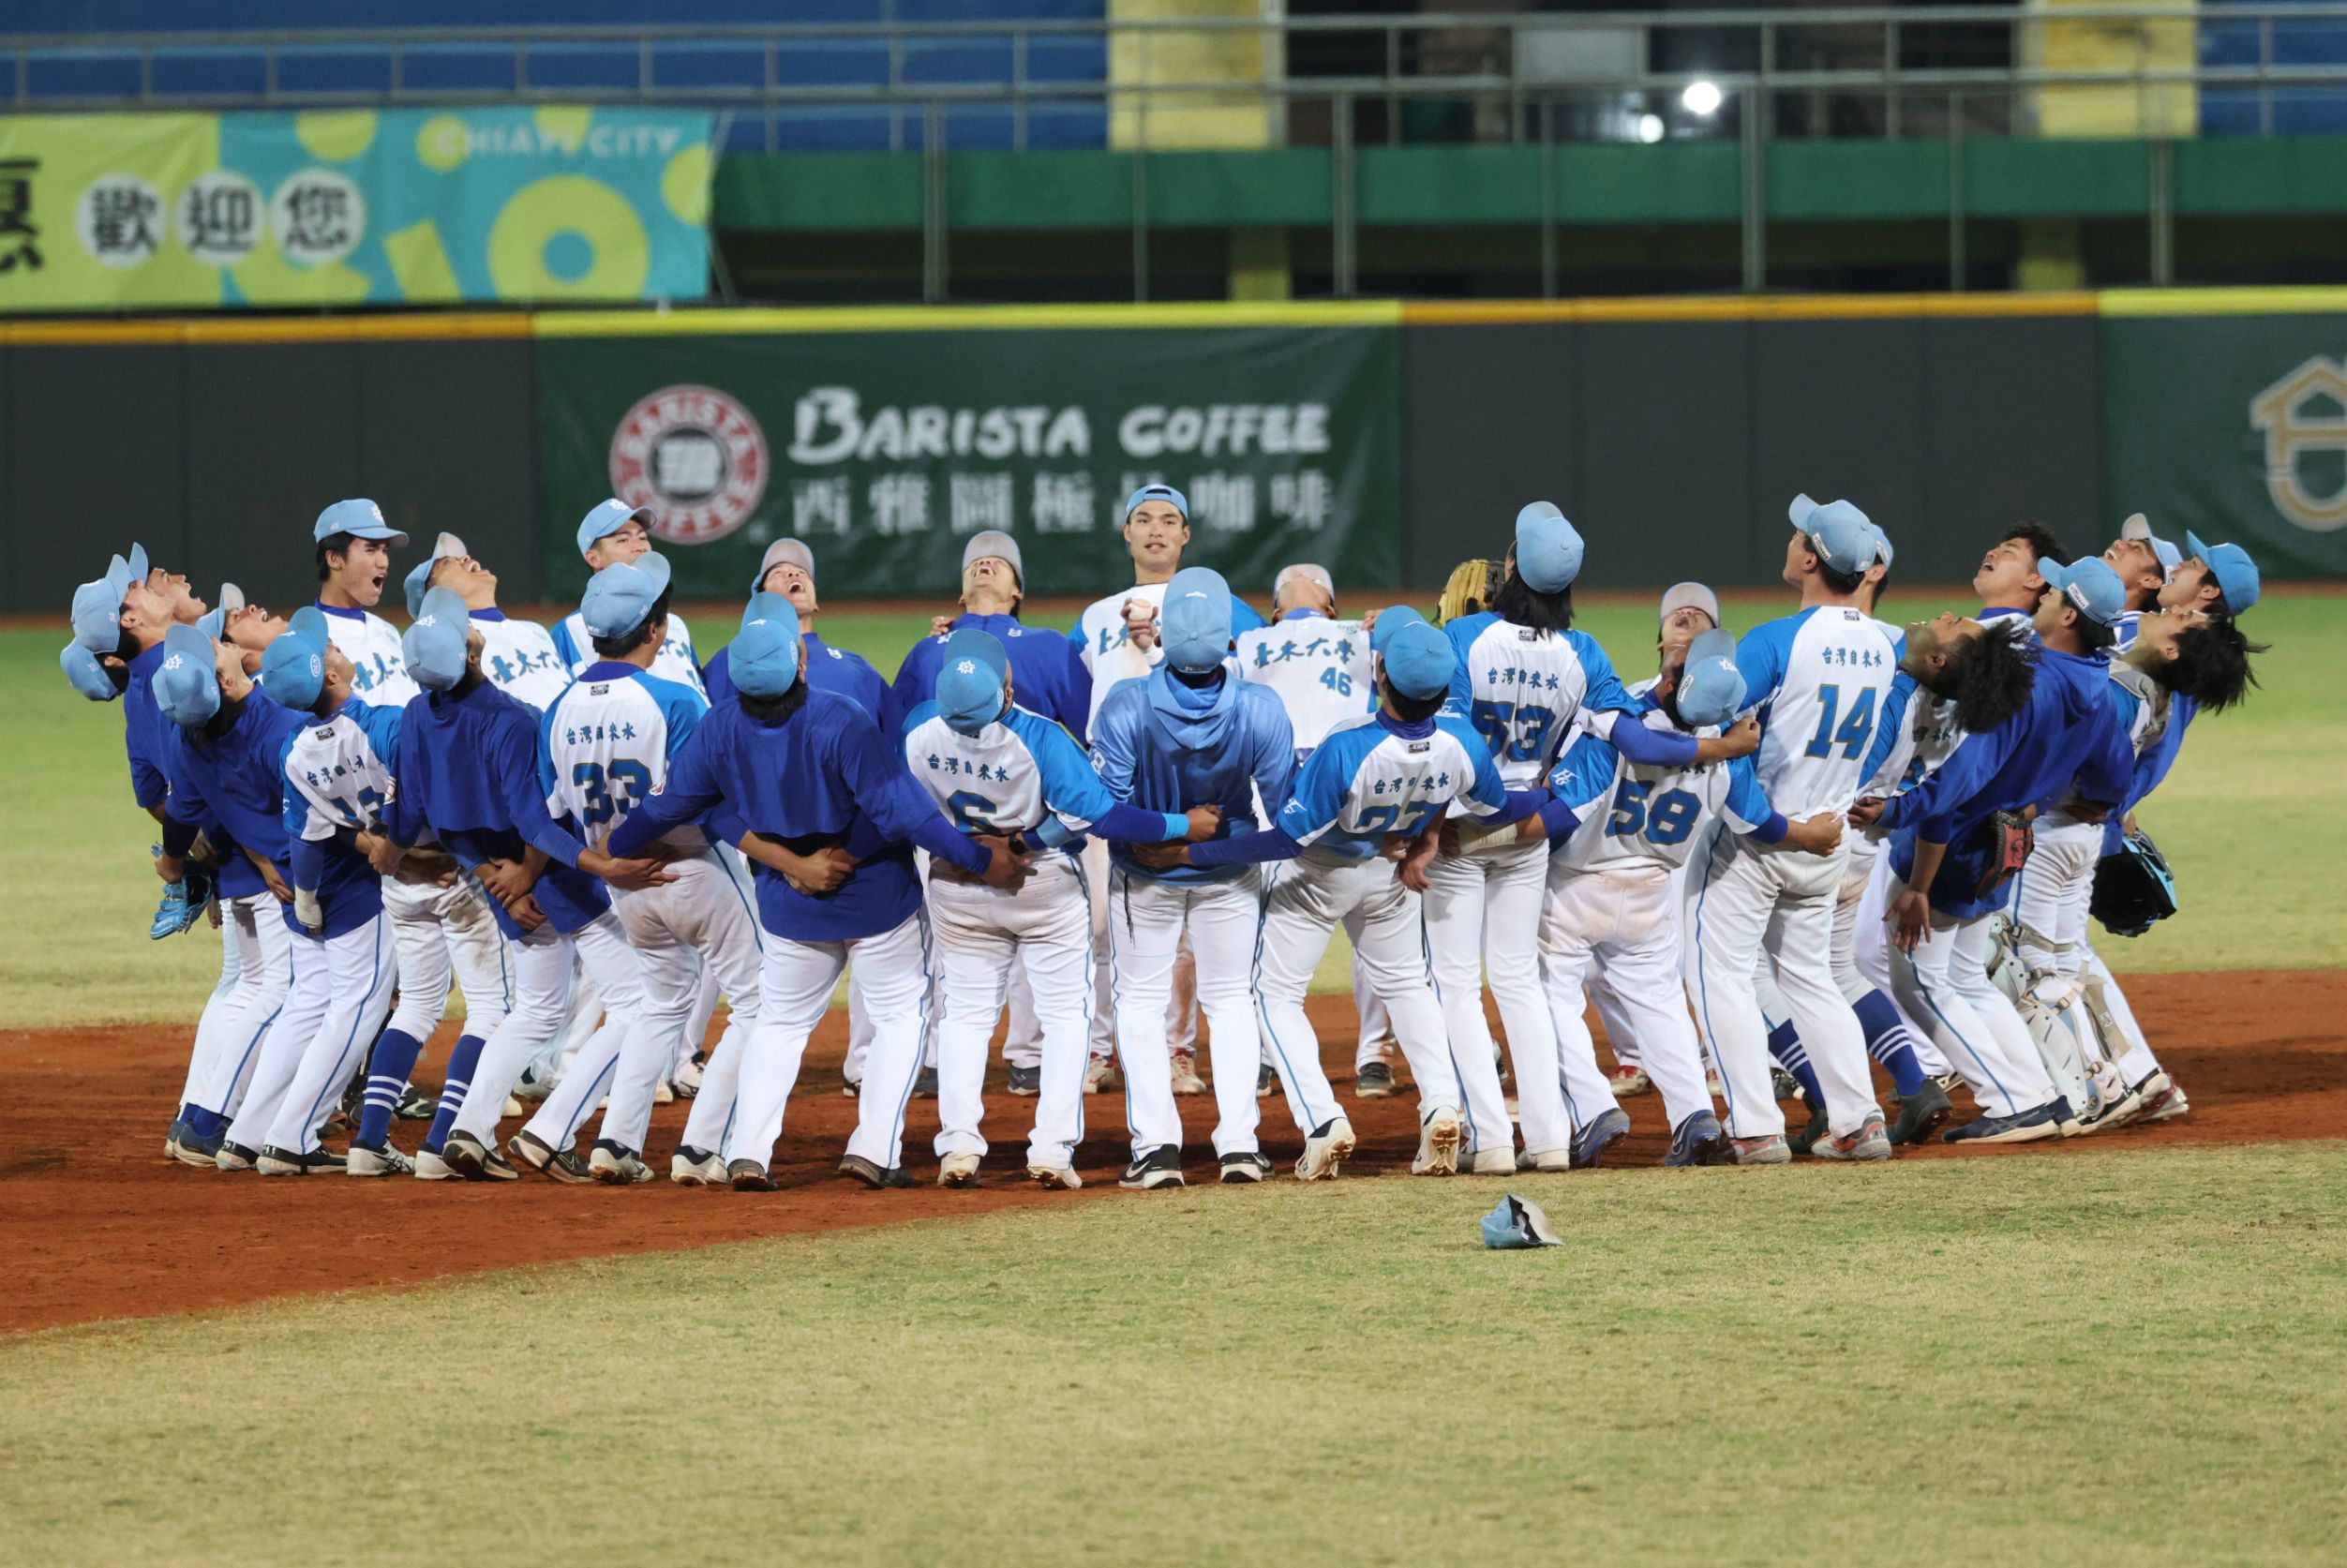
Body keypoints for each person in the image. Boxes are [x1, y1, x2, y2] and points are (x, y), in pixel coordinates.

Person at [605, 598, 1027, 1191]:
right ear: (799, 665)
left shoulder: (719, 725)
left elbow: (668, 806)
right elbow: (904, 814)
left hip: (787, 902)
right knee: (899, 1019)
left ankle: (750, 1151)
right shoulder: (841, 717)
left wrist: (614, 847)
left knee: (779, 1025)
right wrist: (981, 860)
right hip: (876, 896)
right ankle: (875, 1149)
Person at [1136, 619, 1557, 1181]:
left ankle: (1322, 1120)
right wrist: (1431, 835)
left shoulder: (1347, 743)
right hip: (1391, 877)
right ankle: (1440, 1104)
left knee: (1273, 995)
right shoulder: (1462, 739)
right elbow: (1494, 806)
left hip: (1318, 878)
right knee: (1408, 985)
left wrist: (1191, 855)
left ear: (1381, 675)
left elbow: (1286, 838)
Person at [1430, 503, 1747, 1171]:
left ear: (1511, 566)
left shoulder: (1465, 639)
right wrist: (1718, 743)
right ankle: (1579, 1132)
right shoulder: (1589, 659)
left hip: (1483, 834)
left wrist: (1453, 824)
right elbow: (1630, 741)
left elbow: (1452, 739)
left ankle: (1508, 1134)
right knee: (1537, 985)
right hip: (1554, 844)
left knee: (1466, 984)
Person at [1481, 630, 1841, 1168]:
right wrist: (1808, 836)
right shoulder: (1730, 749)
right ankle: (1695, 1114)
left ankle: (1593, 1107)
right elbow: (1758, 823)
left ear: (1672, 681)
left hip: (1578, 883)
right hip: (1651, 892)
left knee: (1548, 995)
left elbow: (1563, 811)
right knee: (1662, 1004)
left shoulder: (1620, 726)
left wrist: (1486, 834)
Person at [375, 587, 671, 1184]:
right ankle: (550, 1131)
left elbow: (419, 818)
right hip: (555, 874)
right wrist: (594, 867)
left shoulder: (415, 715)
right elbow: (538, 820)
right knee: (643, 1004)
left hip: (498, 883)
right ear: (471, 655)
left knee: (534, 1010)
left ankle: (467, 1128)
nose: (477, 630)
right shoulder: (511, 720)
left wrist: (489, 875)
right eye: (467, 632)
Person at [904, 627, 1212, 1189]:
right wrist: (1180, 825)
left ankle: (958, 1148)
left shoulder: (918, 730)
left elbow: (901, 807)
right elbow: (1100, 816)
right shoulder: (1040, 737)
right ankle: (1050, 1149)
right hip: (1041, 886)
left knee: (966, 1015)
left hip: (956, 881)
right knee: (1066, 1015)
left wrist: (971, 851)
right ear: (1007, 687)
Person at [1852, 556, 2136, 1144]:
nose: (2045, 595)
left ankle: (2013, 1102)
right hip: (2009, 843)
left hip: (1958, 846)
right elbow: (2111, 778)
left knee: (1918, 981)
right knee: (1966, 977)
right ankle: (2038, 1095)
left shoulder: (2030, 681)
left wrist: (1901, 818)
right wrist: (2038, 802)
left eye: (2056, 591)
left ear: (2068, 614)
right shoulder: (2096, 684)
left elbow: (1962, 777)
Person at [538, 557, 766, 1187]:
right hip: (698, 867)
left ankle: (617, 1141)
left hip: (626, 885)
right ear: (657, 631)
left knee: (660, 1007)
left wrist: (597, 862)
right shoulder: (675, 698)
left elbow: (537, 817)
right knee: (761, 1001)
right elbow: (713, 798)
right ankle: (700, 1146)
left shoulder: (559, 707)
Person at [1684, 497, 1898, 1165]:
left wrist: (1778, 824)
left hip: (1761, 837)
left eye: (1798, 533)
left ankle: (1755, 1125)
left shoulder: (1778, 639)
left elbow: (1717, 727)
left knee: (1717, 973)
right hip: (1829, 839)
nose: (1790, 537)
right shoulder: (1883, 647)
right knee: (1810, 976)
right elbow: (1878, 749)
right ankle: (1859, 1119)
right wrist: (1822, 820)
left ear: (1810, 559)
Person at [1091, 569, 1297, 1187]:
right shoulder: (1262, 708)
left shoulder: (1125, 703)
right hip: (1230, 874)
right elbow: (1288, 822)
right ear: (1229, 637)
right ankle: (1238, 1145)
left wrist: (1163, 845)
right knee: (1231, 1001)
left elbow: (1106, 811)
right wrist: (1208, 844)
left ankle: (1156, 1149)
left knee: (1142, 1002)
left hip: (1146, 878)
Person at [1069, 485, 1263, 1090]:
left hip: (1199, 784)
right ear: (1126, 533)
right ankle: (1101, 1050)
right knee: (1101, 928)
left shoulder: (1231, 607)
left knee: (1184, 936)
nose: (1156, 529)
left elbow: (1250, 681)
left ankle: (1178, 1050)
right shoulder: (1096, 615)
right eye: (1143, 519)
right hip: (1117, 784)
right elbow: (1085, 695)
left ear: (1186, 536)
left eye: (1170, 520)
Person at [889, 530, 1095, 1099]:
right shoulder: (927, 649)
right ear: (958, 594)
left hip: (1014, 836)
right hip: (969, 838)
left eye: (1000, 562)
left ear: (1017, 590)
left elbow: (1081, 741)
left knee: (996, 957)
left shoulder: (1050, 645)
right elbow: (898, 743)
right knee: (959, 952)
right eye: (975, 563)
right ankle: (936, 1058)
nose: (986, 563)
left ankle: (1022, 1059)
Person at [148, 623, 316, 1172]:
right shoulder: (277, 725)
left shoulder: (184, 735)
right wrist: (270, 857)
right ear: (222, 680)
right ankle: (212, 1121)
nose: (223, 641)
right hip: (283, 883)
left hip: (246, 876)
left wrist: (175, 863)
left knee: (245, 995)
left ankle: (193, 1114)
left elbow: (187, 815)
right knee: (277, 999)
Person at [251, 617, 402, 1176]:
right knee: (357, 1009)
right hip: (381, 883)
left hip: (328, 881)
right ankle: (292, 1135)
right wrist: (390, 838)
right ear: (332, 672)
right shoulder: (384, 723)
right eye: (331, 648)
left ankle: (261, 1132)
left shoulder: (294, 748)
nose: (336, 648)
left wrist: (307, 897)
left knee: (317, 1006)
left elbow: (306, 837)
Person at [1236, 563, 1390, 1098]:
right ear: (1275, 611)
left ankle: (1375, 1052)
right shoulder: (1251, 642)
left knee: (1376, 937)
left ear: (1333, 608)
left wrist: (1387, 628)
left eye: (1318, 584)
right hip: (1273, 806)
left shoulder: (1361, 642)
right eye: (1288, 584)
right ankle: (1264, 1054)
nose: (1303, 583)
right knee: (1262, 940)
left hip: (1352, 802)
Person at [549, 500, 706, 693]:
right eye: (623, 540)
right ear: (593, 558)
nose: (640, 546)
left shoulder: (674, 623)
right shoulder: (570, 631)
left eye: (642, 537)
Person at [402, 531, 571, 709]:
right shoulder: (452, 646)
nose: (465, 558)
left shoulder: (535, 630)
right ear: (434, 595)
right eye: (447, 563)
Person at [309, 500, 418, 706]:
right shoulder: (313, 640)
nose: (383, 562)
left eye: (384, 551)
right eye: (370, 550)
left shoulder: (388, 631)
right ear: (334, 559)